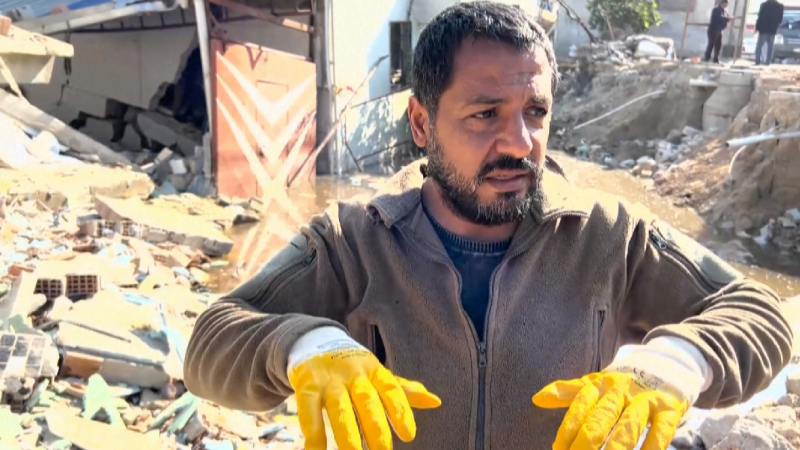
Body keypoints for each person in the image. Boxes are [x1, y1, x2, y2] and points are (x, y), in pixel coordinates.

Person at [184, 2, 793, 450]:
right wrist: (305, 346)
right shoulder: (355, 241)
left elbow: (759, 312)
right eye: (485, 114)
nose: (520, 142)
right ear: (421, 124)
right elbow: (211, 342)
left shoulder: (608, 236)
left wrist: (679, 359)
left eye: (535, 111)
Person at [755, 0, 785, 65]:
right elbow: (780, 19)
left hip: (763, 29)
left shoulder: (764, 5)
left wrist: (757, 27)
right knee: (770, 46)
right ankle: (767, 61)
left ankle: (757, 60)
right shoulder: (780, 6)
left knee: (760, 45)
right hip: (773, 29)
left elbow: (760, 17)